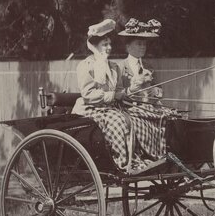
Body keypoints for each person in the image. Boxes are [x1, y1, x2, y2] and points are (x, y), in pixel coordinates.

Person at [71, 18, 170, 173]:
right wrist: (113, 96)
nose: (109, 48)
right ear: (95, 47)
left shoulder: (113, 67)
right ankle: (122, 162)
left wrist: (131, 90)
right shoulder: (85, 66)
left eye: (109, 44)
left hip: (110, 108)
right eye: (105, 44)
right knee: (119, 121)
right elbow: (88, 95)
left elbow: (121, 92)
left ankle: (140, 158)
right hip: (91, 108)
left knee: (135, 119)